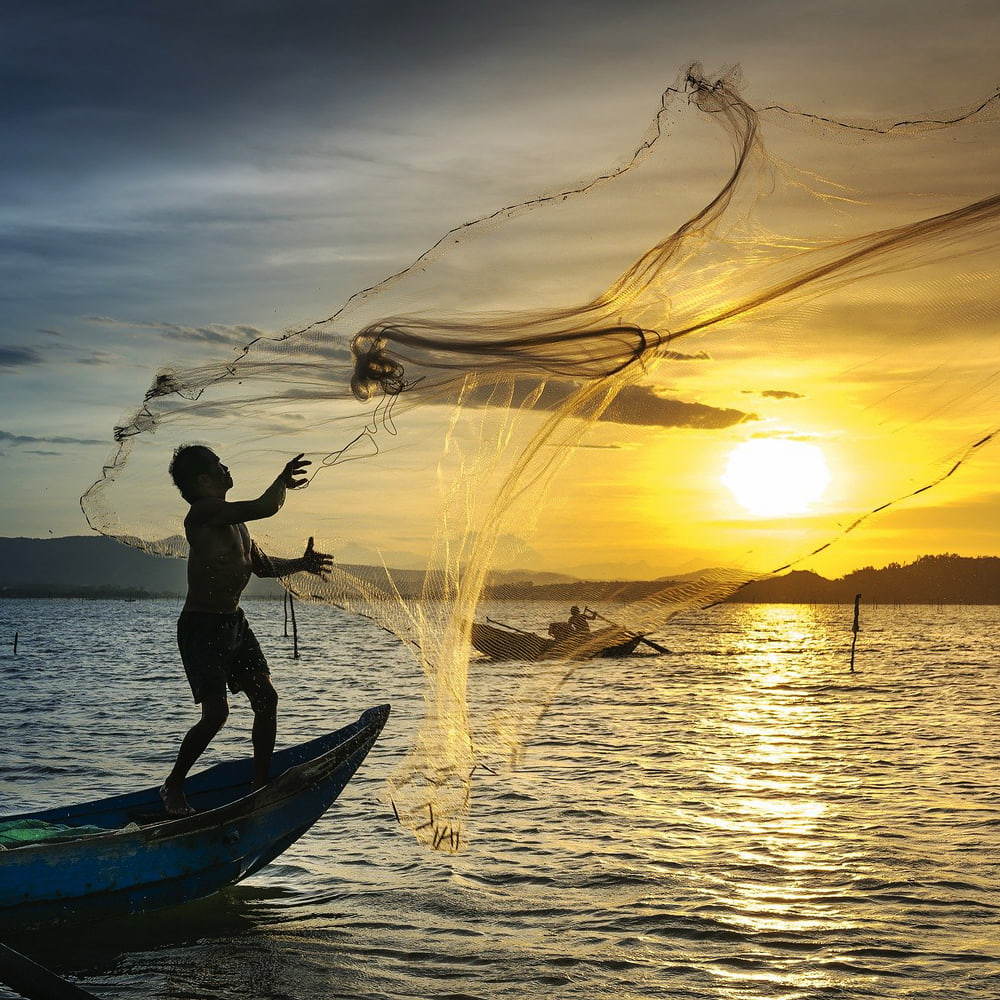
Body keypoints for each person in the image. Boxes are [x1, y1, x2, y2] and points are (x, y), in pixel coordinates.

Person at [159, 446, 332, 816]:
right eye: (219, 465)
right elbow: (266, 506)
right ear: (203, 480)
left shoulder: (236, 523)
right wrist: (282, 481)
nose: (227, 468)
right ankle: (173, 786)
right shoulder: (204, 513)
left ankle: (260, 783)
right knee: (216, 714)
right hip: (202, 626)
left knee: (266, 700)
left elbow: (264, 568)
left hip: (234, 623)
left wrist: (302, 563)